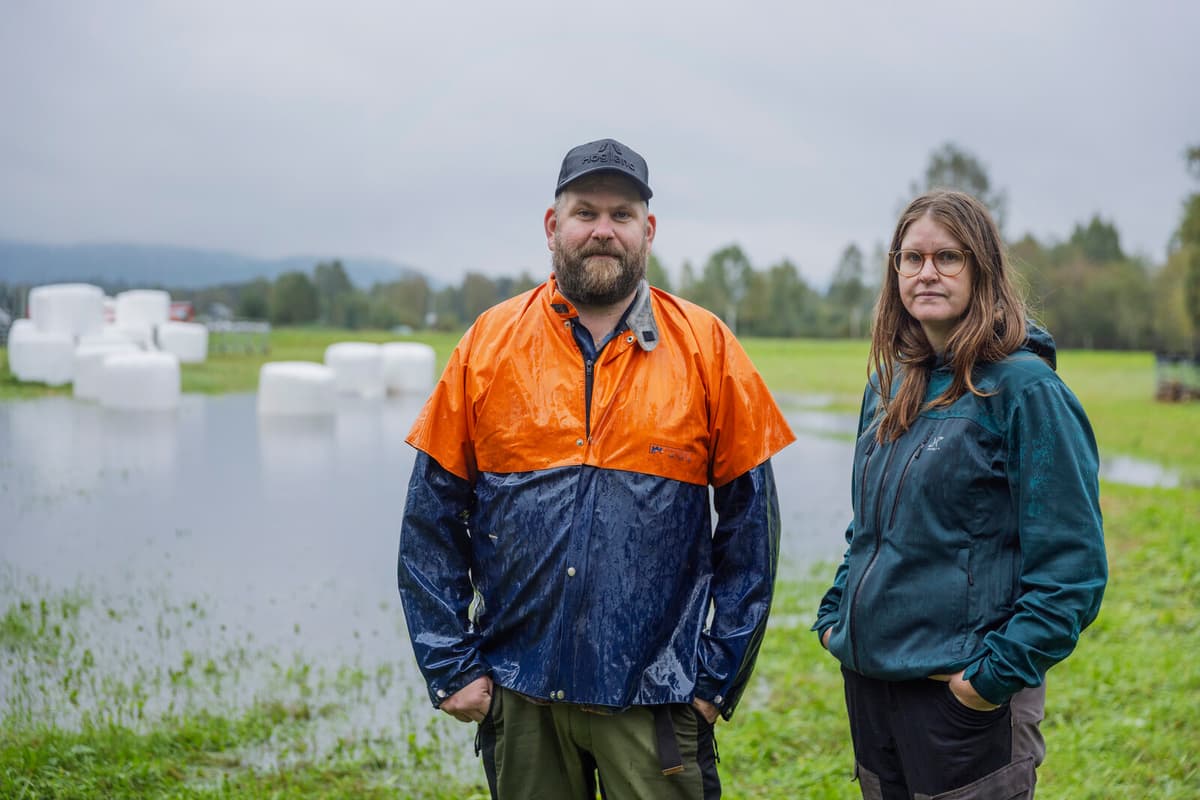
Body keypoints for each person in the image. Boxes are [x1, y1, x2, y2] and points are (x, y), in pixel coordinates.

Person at [397, 137, 795, 799]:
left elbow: (753, 533)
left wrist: (715, 679)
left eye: (621, 214)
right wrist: (449, 663)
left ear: (649, 230)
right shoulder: (487, 345)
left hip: (659, 698)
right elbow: (429, 518)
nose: (603, 230)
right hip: (521, 694)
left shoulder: (708, 349)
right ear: (553, 225)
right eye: (585, 212)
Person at [813, 189, 1107, 799]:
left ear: (982, 269)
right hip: (872, 691)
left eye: (947, 257)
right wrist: (836, 615)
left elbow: (1072, 571)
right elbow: (868, 528)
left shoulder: (1026, 390)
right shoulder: (888, 385)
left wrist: (987, 682)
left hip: (962, 707)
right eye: (911, 258)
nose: (927, 272)